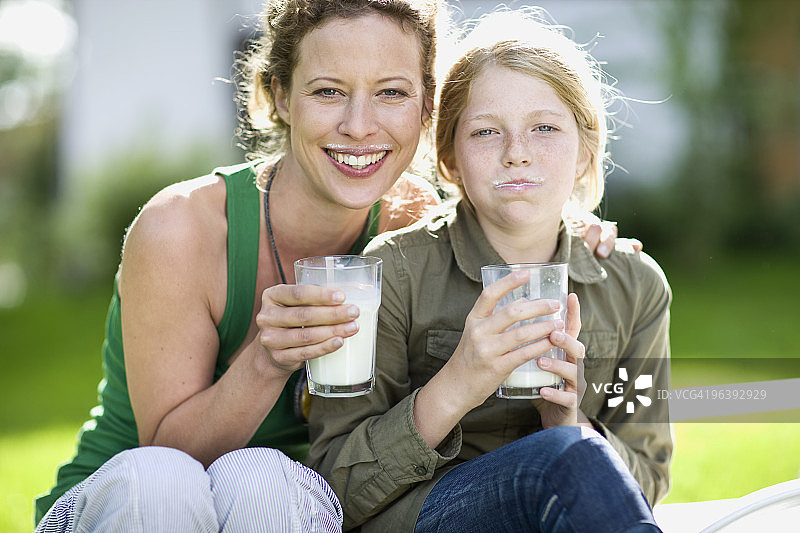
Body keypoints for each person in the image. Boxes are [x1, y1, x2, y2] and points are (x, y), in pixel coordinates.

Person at [34, 1, 624, 531]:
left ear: (426, 107)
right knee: (163, 481)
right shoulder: (182, 229)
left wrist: (573, 230)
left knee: (261, 477)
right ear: (281, 97)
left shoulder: (412, 224)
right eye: (327, 91)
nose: (359, 125)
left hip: (282, 506)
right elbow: (164, 453)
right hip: (131, 504)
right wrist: (266, 359)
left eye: (391, 93)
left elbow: (512, 215)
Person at [307, 7, 672, 533]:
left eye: (544, 128)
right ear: (450, 158)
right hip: (432, 516)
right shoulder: (389, 274)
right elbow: (331, 489)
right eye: (485, 132)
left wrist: (569, 422)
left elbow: (649, 477)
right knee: (563, 458)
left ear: (585, 152)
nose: (517, 154)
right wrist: (456, 384)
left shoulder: (635, 286)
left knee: (569, 450)